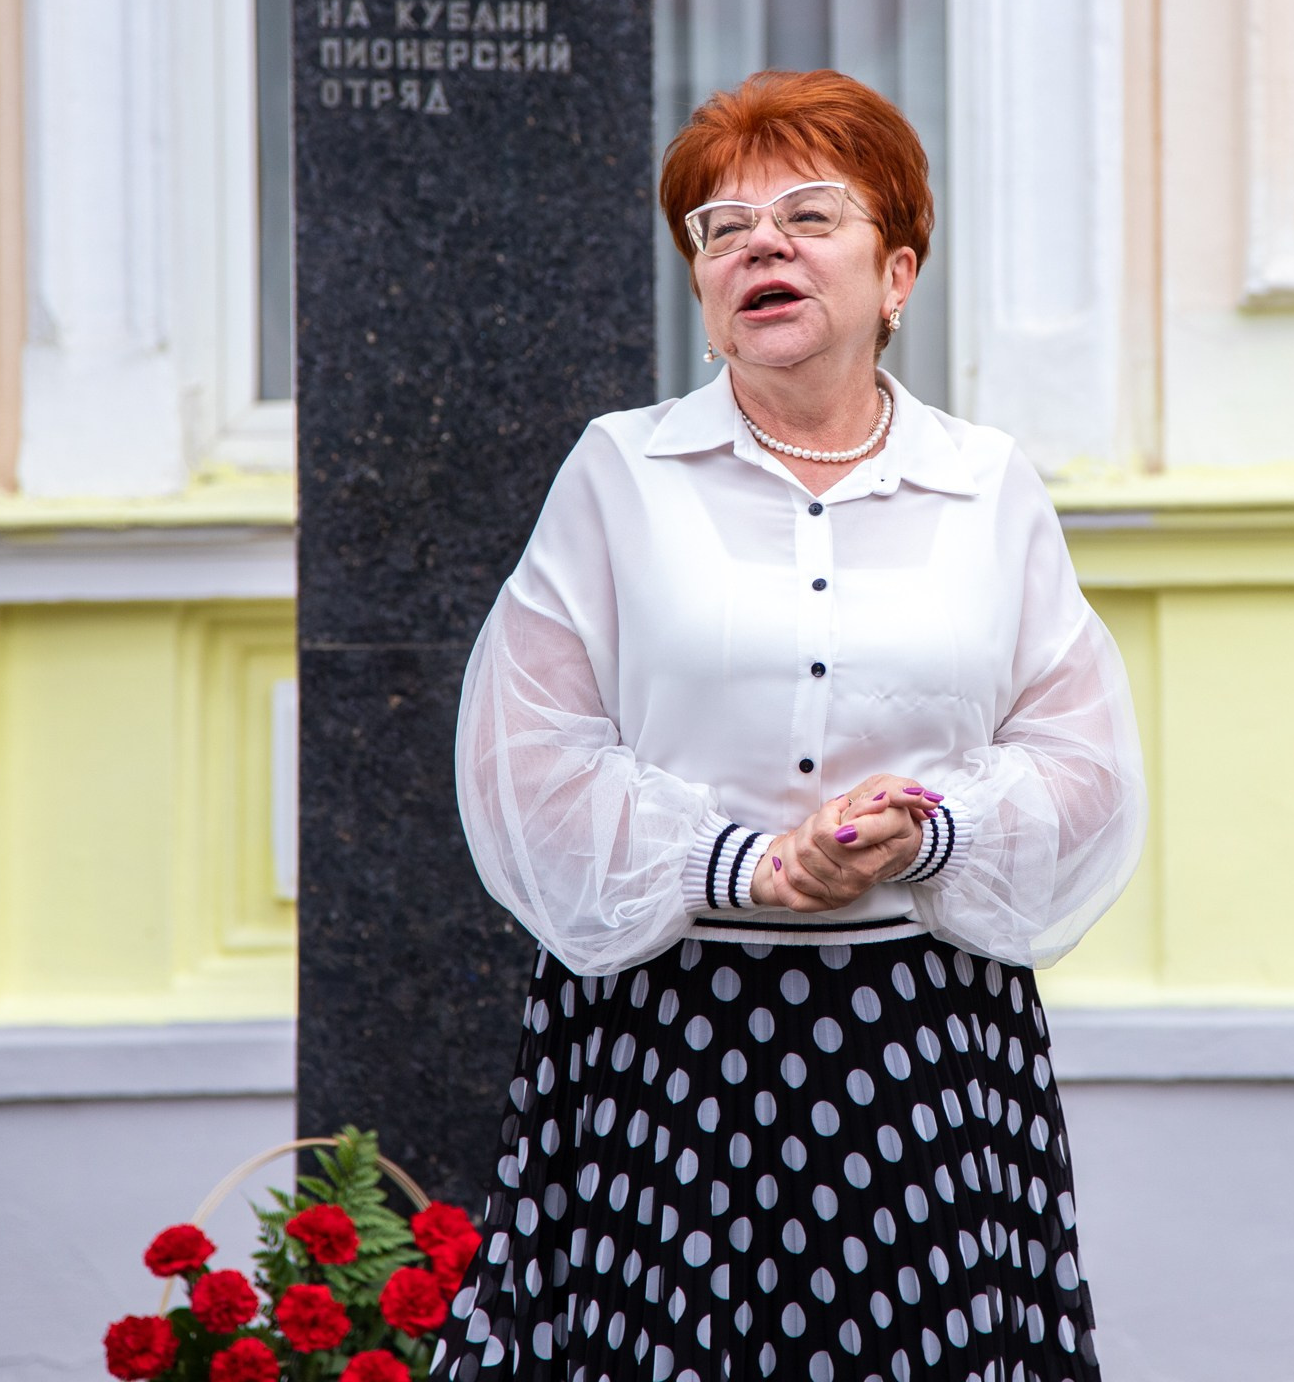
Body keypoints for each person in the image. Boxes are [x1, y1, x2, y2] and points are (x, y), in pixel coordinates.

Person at [433, 69, 1147, 1382]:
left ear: (898, 273)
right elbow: (523, 749)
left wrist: (927, 830)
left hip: (916, 1035)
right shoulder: (620, 472)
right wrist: (744, 865)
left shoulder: (985, 487)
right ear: (706, 295)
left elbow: (1079, 756)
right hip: (667, 1029)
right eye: (720, 229)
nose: (759, 243)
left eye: (810, 216)